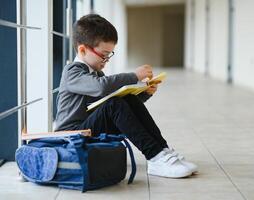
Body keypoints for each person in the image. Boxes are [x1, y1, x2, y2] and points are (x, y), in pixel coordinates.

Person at [55, 14, 197, 178]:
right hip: (71, 136)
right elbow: (101, 88)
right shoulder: (72, 71)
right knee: (114, 104)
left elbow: (114, 105)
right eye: (104, 54)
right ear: (82, 50)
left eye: (110, 54)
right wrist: (134, 76)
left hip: (88, 128)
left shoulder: (96, 73)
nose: (107, 59)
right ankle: (154, 155)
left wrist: (143, 94)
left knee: (124, 99)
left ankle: (162, 150)